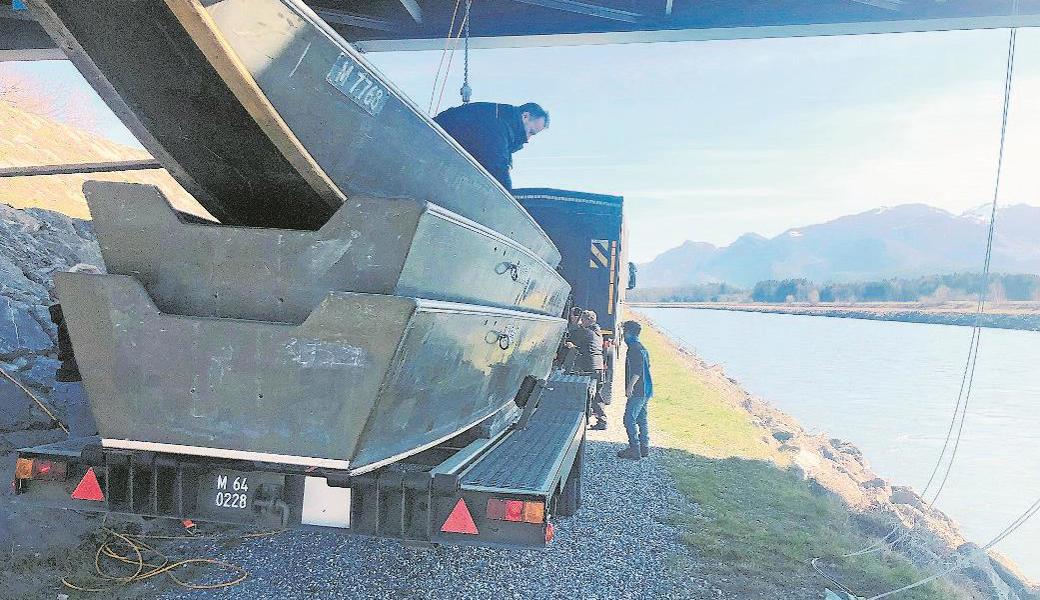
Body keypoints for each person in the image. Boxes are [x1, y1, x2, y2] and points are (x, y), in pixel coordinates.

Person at [433, 102, 549, 190]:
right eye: (531, 132)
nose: (527, 139)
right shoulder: (497, 125)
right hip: (433, 152)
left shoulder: (496, 115)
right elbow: (497, 168)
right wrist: (508, 204)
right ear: (525, 116)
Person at [618, 320, 653, 460]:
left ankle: (634, 449)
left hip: (638, 390)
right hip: (647, 388)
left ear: (628, 332)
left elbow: (637, 370)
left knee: (629, 418)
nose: (622, 334)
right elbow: (647, 366)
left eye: (624, 331)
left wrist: (630, 386)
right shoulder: (642, 347)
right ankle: (644, 447)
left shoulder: (633, 348)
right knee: (642, 419)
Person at [569, 310, 607, 430]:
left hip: (589, 367)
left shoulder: (586, 332)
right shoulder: (597, 331)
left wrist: (574, 324)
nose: (581, 321)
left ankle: (585, 421)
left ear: (588, 320)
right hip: (598, 366)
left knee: (586, 394)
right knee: (596, 395)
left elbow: (573, 336)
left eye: (583, 320)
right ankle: (602, 420)